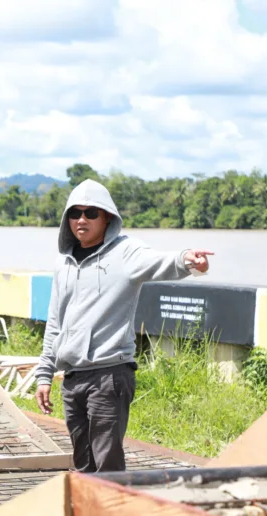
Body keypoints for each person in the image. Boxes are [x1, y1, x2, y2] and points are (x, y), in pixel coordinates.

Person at [33, 179, 212, 473]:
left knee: (107, 464)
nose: (81, 220)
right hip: (73, 377)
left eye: (91, 213)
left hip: (109, 375)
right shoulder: (63, 262)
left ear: (107, 218)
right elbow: (55, 321)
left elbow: (160, 261)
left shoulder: (125, 252)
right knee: (83, 462)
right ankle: (90, 505)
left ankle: (114, 502)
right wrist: (44, 374)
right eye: (75, 213)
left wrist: (187, 260)